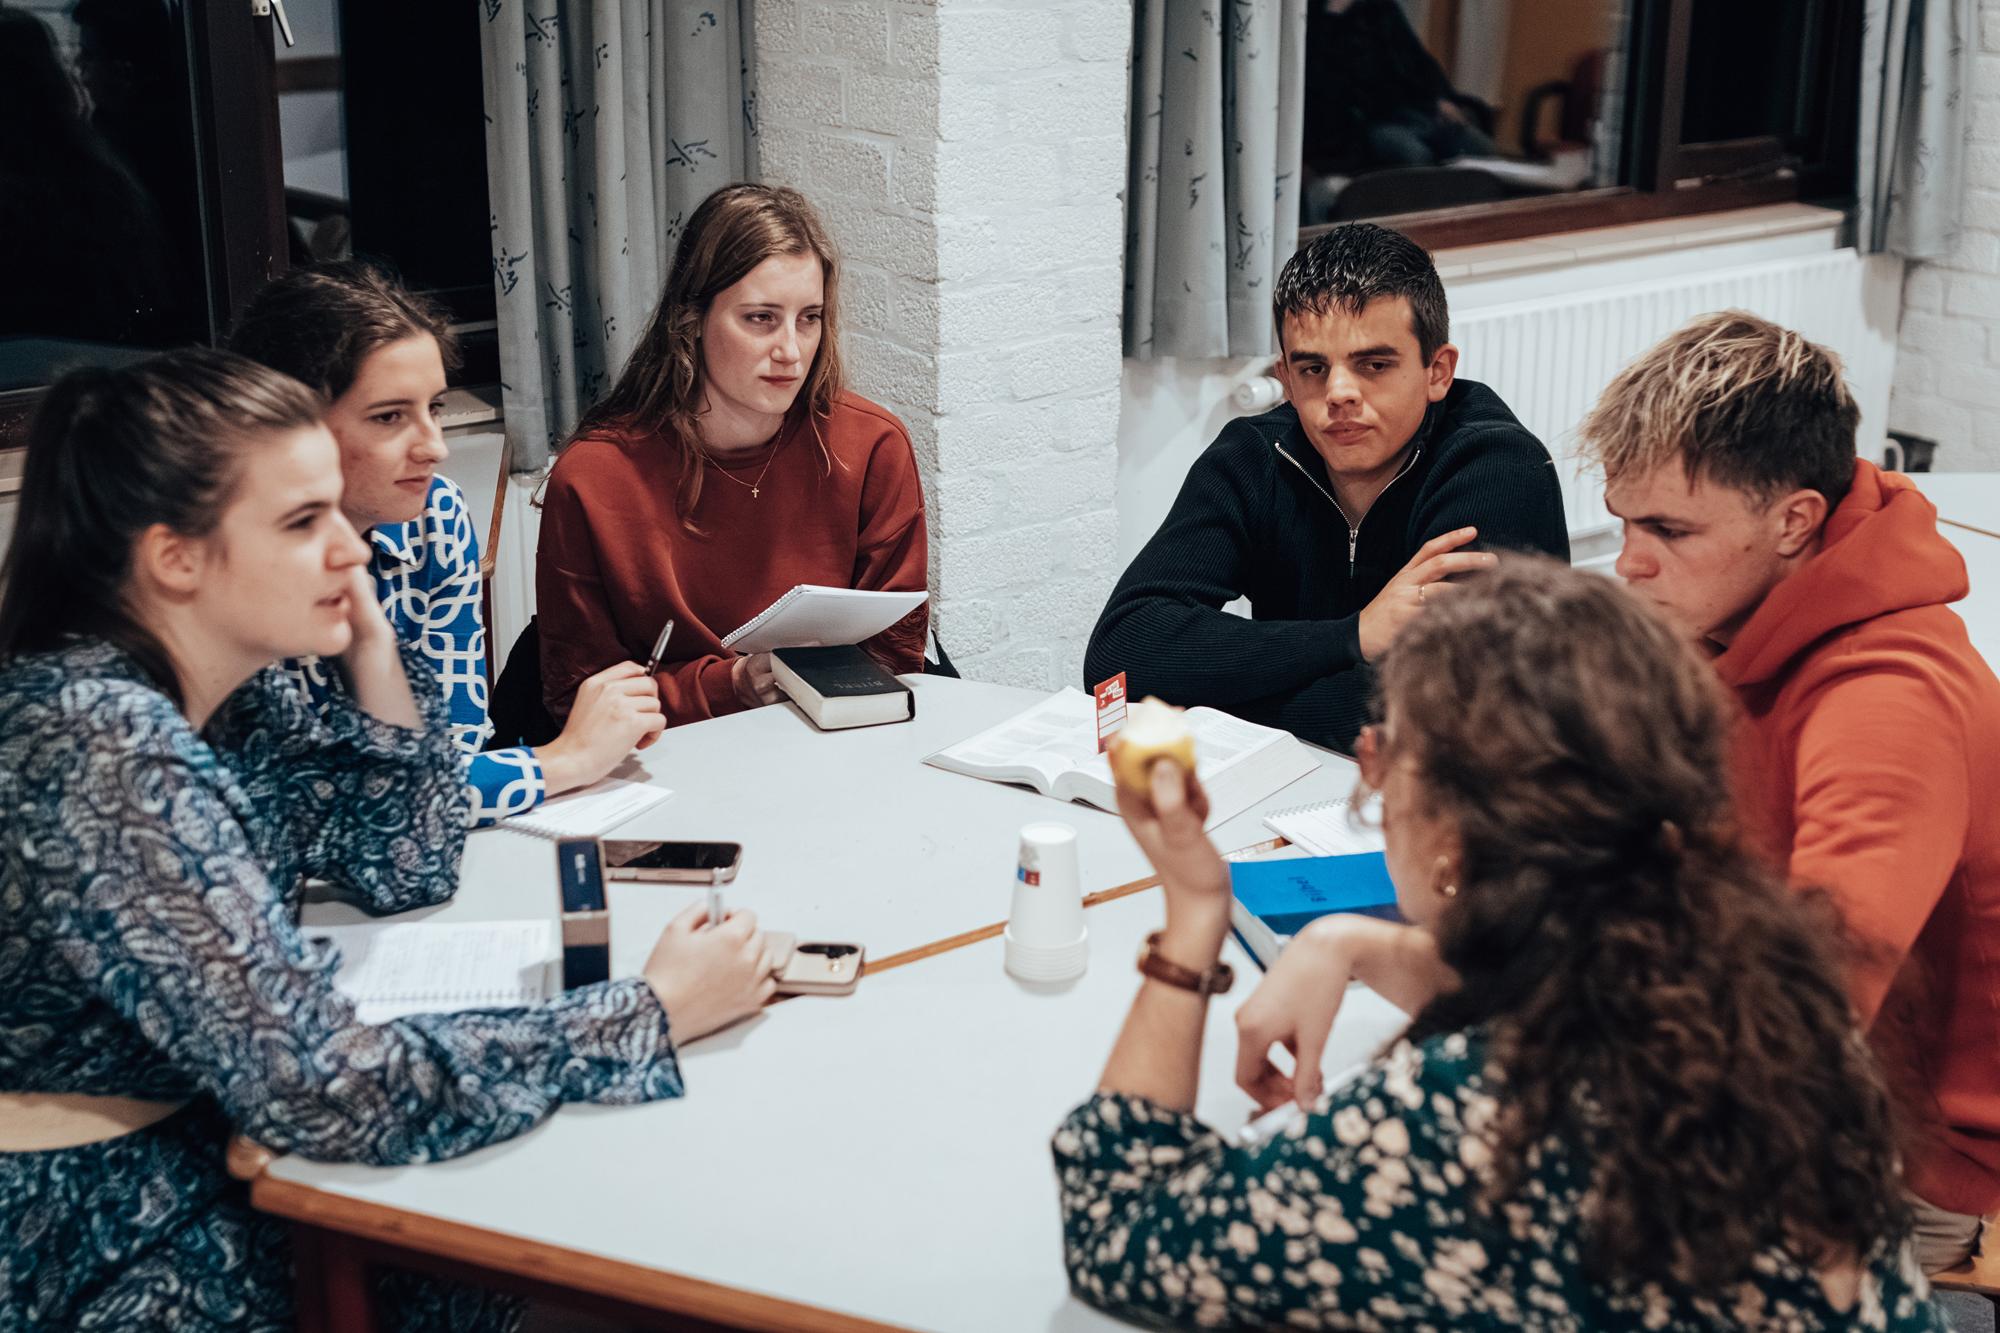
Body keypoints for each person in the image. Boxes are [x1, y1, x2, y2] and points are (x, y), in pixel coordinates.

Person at [0, 351, 777, 1331]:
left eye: (338, 512)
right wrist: (646, 1013)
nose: (351, 549)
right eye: (302, 522)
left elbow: (405, 861)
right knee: (573, 1238)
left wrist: (370, 640)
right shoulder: (105, 751)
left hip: (203, 1143)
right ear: (176, 559)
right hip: (100, 1219)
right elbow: (322, 1086)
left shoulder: (237, 685)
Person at [1056, 557, 1946, 1330]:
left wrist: (1194, 913)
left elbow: (1121, 1229)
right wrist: (1357, 943)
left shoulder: (1462, 1120)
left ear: (1450, 829)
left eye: (1386, 748)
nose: (1369, 766)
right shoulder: (1774, 997)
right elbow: (1554, 988)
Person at [1581, 311, 2000, 1274]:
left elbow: (1804, 1013)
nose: (1629, 560)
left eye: (1668, 530)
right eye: (1624, 521)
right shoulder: (1734, 613)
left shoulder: (1888, 699)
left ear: (1795, 521)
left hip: (1921, 1160)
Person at [1084, 223, 1569, 752]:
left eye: (1374, 365)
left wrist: (1220, 698)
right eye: (1313, 368)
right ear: (1286, 381)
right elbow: (1118, 654)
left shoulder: (1497, 467)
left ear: (1437, 371)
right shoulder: (1252, 457)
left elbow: (1459, 711)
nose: (1338, 393)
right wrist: (1353, 635)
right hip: (1296, 773)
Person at [229, 263, 664, 827]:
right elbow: (318, 804)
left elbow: (448, 752)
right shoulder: (229, 565)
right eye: (390, 416)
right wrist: (566, 759)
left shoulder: (436, 514)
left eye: (433, 408)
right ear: (288, 424)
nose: (435, 447)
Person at [536, 183, 929, 728]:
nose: (791, 352)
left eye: (809, 318)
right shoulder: (596, 477)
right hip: (673, 750)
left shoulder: (872, 445)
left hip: (835, 734)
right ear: (692, 320)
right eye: (760, 318)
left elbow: (898, 651)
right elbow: (576, 696)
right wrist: (731, 685)